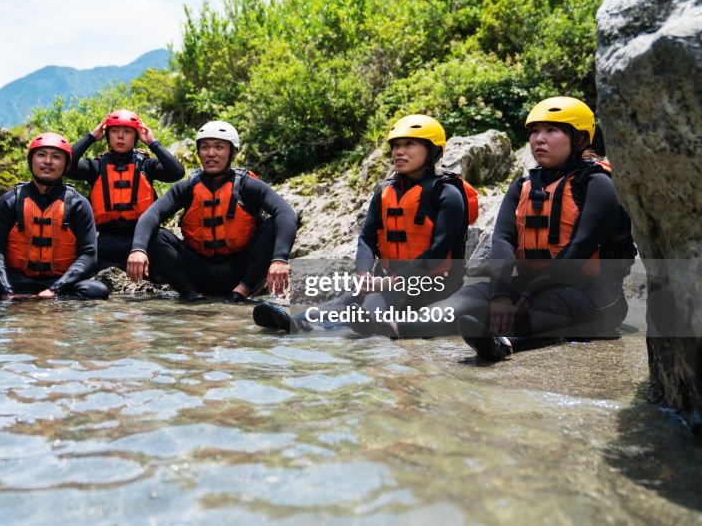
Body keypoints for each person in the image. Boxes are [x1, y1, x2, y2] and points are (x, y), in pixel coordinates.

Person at [431, 97, 631, 360]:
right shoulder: (523, 185)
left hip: (592, 293)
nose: (539, 138)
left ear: (580, 139)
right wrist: (502, 294)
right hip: (529, 287)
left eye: (551, 130)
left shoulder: (599, 185)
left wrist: (528, 292)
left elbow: (579, 247)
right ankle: (399, 324)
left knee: (550, 305)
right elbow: (502, 240)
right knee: (471, 296)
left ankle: (505, 343)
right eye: (535, 131)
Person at [253, 115, 475, 336]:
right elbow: (367, 238)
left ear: (432, 150)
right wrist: (363, 276)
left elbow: (438, 251)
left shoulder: (448, 194)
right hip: (390, 283)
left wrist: (389, 283)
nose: (399, 151)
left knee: (370, 307)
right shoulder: (386, 191)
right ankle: (299, 322)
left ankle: (323, 328)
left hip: (432, 286)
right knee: (347, 300)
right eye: (396, 145)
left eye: (409, 144)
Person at [126, 121, 297, 302]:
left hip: (241, 271)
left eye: (219, 147)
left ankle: (241, 292)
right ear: (199, 152)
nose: (211, 153)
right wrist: (138, 249)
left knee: (273, 225)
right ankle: (192, 295)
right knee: (156, 235)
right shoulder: (187, 187)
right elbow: (152, 215)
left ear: (233, 152)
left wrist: (280, 259)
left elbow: (286, 213)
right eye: (205, 147)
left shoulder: (248, 185)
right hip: (198, 272)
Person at [0, 133, 109, 301]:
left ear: (66, 165)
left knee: (97, 290)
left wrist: (55, 289)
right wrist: (6, 288)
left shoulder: (79, 204)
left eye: (56, 157)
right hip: (14, 280)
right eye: (41, 155)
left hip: (59, 283)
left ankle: (46, 300)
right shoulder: (10, 200)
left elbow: (88, 255)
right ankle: (4, 298)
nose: (48, 161)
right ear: (31, 161)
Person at [66, 110, 184, 272]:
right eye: (114, 131)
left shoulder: (147, 165)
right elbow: (66, 167)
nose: (120, 136)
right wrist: (91, 137)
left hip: (141, 240)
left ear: (136, 137)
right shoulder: (95, 166)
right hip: (105, 241)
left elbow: (177, 172)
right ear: (107, 136)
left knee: (162, 239)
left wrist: (153, 143)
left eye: (127, 132)